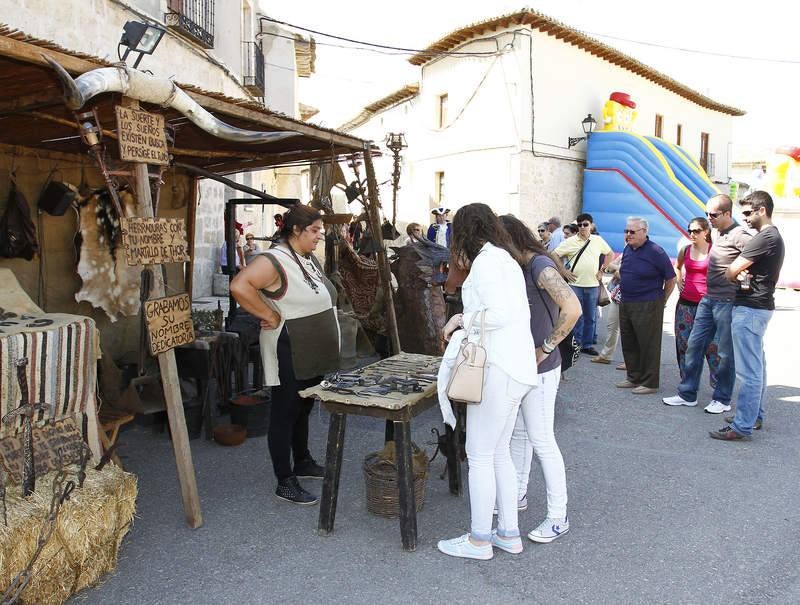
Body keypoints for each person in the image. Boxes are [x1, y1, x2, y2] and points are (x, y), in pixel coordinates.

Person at [436, 203, 538, 560]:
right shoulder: (503, 259)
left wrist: (462, 320)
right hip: (514, 369)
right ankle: (508, 533)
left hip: (497, 369)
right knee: (497, 453)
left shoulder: (487, 262)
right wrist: (466, 317)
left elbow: (498, 314)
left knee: (478, 455)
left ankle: (480, 539)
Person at [230, 205, 340, 505]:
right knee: (284, 412)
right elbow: (240, 285)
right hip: (289, 348)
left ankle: (302, 460)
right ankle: (285, 480)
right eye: (315, 230)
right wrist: (269, 314)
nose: (320, 235)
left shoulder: (305, 258)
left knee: (302, 407)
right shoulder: (274, 259)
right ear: (296, 230)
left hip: (310, 348)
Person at [500, 215, 580, 544]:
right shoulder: (523, 266)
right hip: (525, 368)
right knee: (521, 435)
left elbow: (572, 308)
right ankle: (518, 494)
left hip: (542, 370)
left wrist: (545, 347)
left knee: (543, 440)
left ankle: (558, 516)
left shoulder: (538, 265)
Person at [662, 194, 752, 413]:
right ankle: (687, 394)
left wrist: (744, 276)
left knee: (723, 352)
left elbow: (760, 254)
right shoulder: (718, 233)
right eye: (707, 214)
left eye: (713, 214)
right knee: (693, 346)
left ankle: (722, 399)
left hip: (726, 301)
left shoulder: (739, 234)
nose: (709, 218)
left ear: (727, 214)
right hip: (708, 299)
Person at [711, 192, 785, 441]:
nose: (743, 219)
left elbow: (732, 270)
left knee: (749, 372)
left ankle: (742, 425)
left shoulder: (765, 237)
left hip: (750, 308)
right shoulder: (772, 237)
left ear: (761, 210)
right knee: (757, 368)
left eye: (747, 213)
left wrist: (735, 274)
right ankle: (753, 417)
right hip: (758, 307)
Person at [616, 217, 676, 394]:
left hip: (648, 302)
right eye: (626, 231)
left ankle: (650, 383)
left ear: (644, 232)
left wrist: (661, 301)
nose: (628, 234)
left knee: (648, 343)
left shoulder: (655, 251)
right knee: (629, 341)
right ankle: (633, 377)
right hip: (627, 301)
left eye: (632, 232)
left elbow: (671, 279)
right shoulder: (628, 248)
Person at [553, 213, 614, 356]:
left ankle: (586, 345)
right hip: (575, 285)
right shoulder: (570, 241)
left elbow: (610, 254)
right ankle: (576, 344)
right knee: (576, 316)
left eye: (585, 224)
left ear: (591, 225)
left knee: (590, 316)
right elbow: (554, 254)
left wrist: (602, 271)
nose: (582, 227)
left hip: (592, 285)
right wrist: (563, 270)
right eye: (579, 225)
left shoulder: (597, 240)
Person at [673, 217, 720, 388]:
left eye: (696, 231)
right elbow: (677, 266)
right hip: (685, 304)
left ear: (706, 232)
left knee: (713, 347)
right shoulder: (685, 250)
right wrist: (679, 280)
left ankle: (718, 387)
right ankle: (688, 383)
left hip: (708, 306)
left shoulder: (714, 251)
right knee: (684, 344)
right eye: (690, 230)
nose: (692, 234)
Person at [590, 256, 622, 364]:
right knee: (612, 326)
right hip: (618, 297)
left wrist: (618, 270)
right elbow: (610, 266)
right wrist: (618, 269)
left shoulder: (643, 253)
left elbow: (619, 273)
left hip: (634, 298)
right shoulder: (626, 252)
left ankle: (631, 362)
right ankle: (606, 355)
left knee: (631, 330)